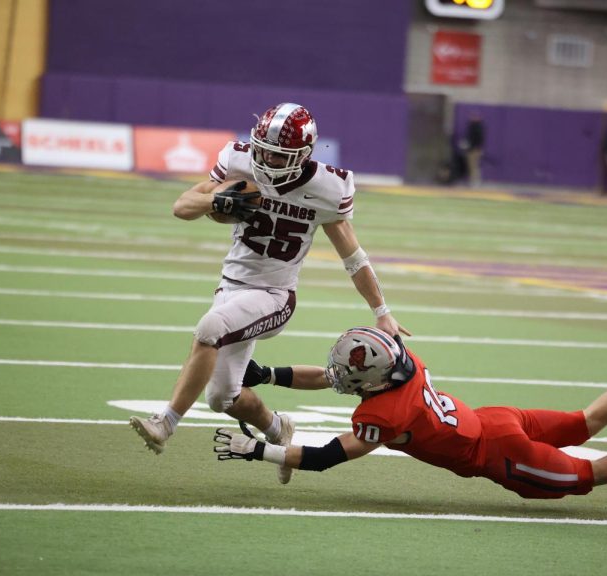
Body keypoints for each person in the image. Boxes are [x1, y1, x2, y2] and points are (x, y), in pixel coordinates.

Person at [129, 103, 410, 486]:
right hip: (229, 287)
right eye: (262, 147)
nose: (267, 158)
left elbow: (353, 258)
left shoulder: (328, 188)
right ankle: (278, 428)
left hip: (274, 295)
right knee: (222, 398)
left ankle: (166, 423)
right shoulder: (240, 162)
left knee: (210, 328)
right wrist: (216, 200)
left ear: (303, 155)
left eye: (278, 153)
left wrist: (382, 310)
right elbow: (182, 207)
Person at [214, 327, 607, 500]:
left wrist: (260, 450)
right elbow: (329, 378)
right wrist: (269, 375)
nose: (341, 383)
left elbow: (329, 457)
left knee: (587, 474)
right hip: (494, 417)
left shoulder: (381, 415)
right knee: (583, 422)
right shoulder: (404, 363)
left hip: (498, 452)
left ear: (372, 380)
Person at [463, 113, 485, 187]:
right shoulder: (471, 126)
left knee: (474, 166)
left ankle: (476, 181)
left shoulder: (478, 127)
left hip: (474, 150)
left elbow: (479, 139)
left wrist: (477, 148)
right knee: (472, 166)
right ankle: (474, 181)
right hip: (471, 149)